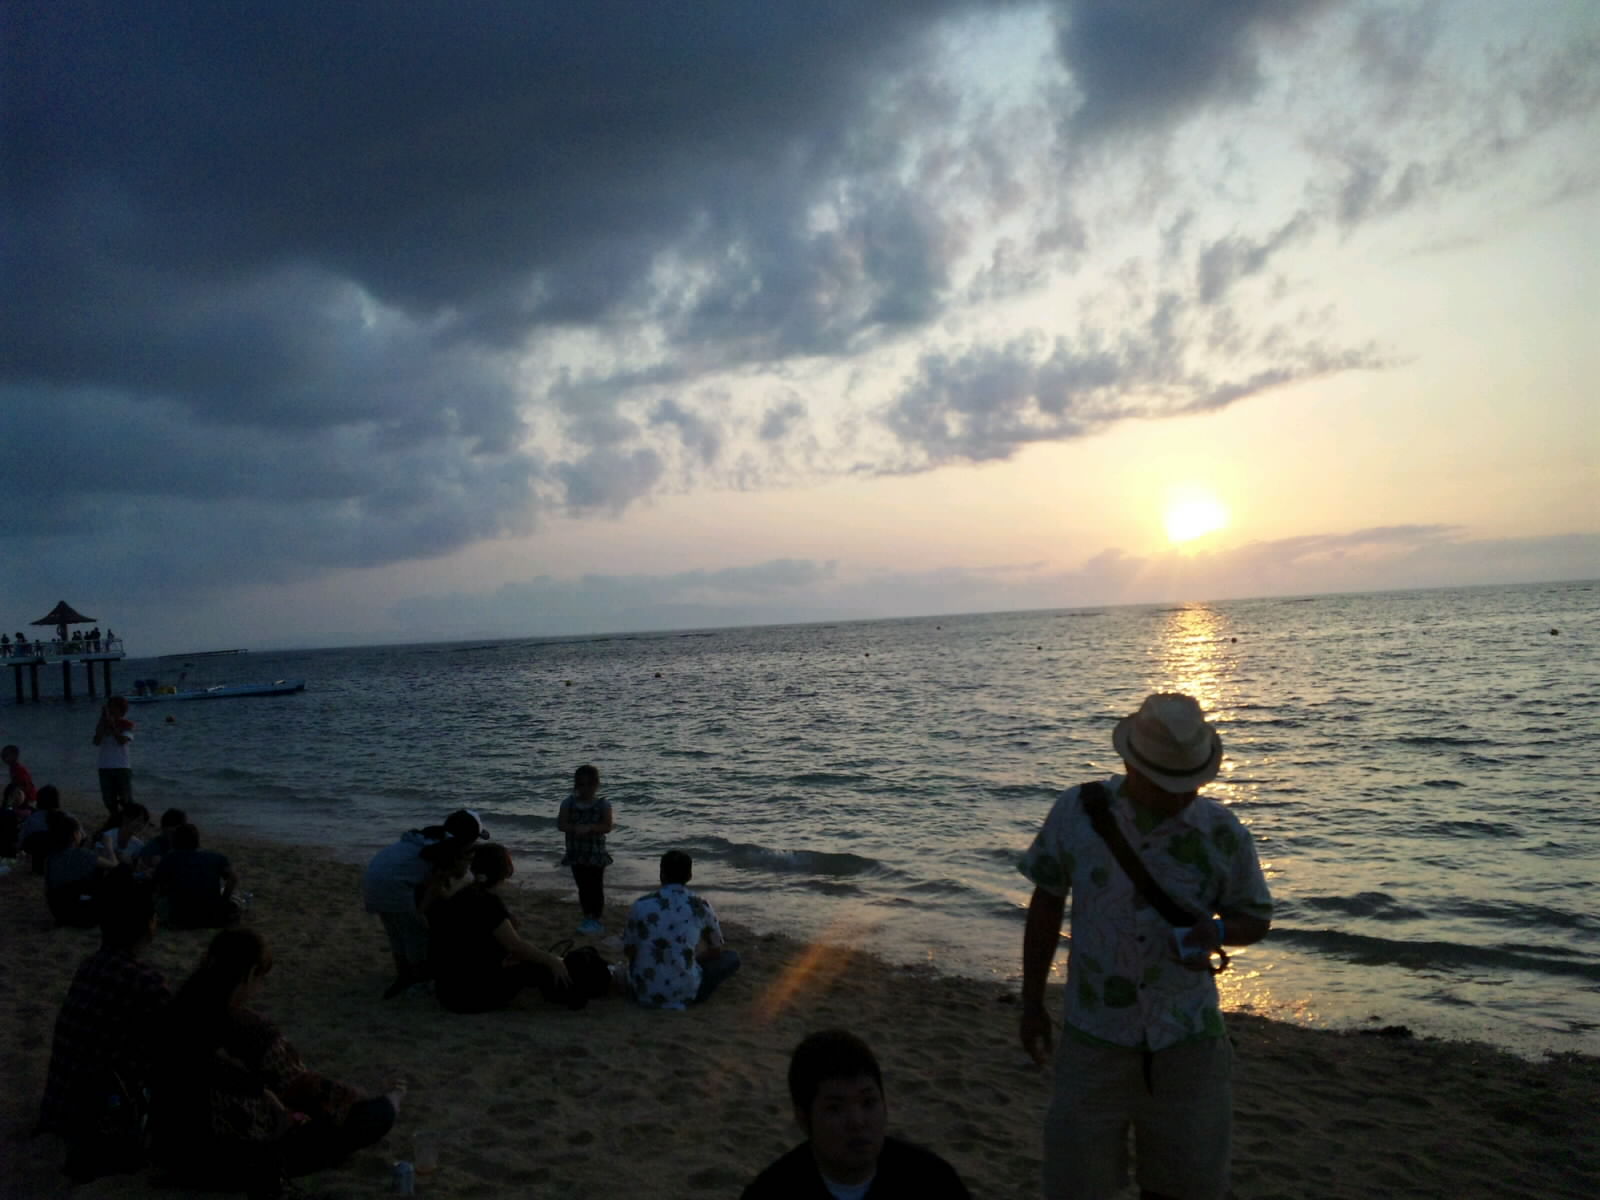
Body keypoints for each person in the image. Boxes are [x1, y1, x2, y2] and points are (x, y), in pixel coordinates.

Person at [1018, 693, 1274, 1200]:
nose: (1180, 797)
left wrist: (1218, 932)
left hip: (1189, 1043)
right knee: (1078, 1187)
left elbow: (1255, 918)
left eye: (1189, 784)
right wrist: (1031, 1003)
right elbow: (1046, 903)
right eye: (1166, 784)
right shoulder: (1077, 812)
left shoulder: (1222, 832)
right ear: (1131, 765)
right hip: (1093, 1038)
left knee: (1187, 1188)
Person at [152, 929, 404, 1196]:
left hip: (177, 1157)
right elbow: (303, 1087)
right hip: (240, 1161)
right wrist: (355, 1097)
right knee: (374, 1115)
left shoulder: (175, 1015)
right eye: (260, 979)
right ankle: (392, 1100)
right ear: (250, 974)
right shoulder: (249, 1030)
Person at [38, 877, 171, 1182]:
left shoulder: (90, 965)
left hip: (60, 1104)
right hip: (101, 1111)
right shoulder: (145, 980)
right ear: (149, 925)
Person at [740, 1030, 972, 1199]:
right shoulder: (769, 1192)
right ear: (803, 1119)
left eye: (868, 1103)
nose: (857, 1122)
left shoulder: (933, 1182)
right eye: (835, 1108)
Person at [361, 808, 491, 999]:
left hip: (373, 880)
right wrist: (421, 912)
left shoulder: (429, 838)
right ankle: (418, 981)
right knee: (417, 936)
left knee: (396, 933)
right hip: (394, 887)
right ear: (467, 840)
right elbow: (437, 887)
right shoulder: (444, 853)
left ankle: (403, 975)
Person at [427, 843, 571, 1013]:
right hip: (469, 995)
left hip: (446, 991)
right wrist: (552, 960)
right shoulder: (487, 902)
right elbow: (515, 945)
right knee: (539, 967)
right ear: (505, 871)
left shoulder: (463, 894)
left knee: (528, 961)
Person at [623, 850, 740, 1009]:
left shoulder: (640, 905)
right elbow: (715, 950)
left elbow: (629, 950)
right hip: (686, 994)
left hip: (644, 993)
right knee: (732, 957)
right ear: (690, 876)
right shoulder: (700, 905)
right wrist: (691, 959)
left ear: (662, 874)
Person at [558, 763, 614, 934]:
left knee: (596, 886)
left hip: (596, 853)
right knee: (583, 886)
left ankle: (596, 918)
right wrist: (575, 828)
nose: (586, 788)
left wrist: (590, 828)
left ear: (596, 784)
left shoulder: (603, 804)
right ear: (576, 785)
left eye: (590, 784)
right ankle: (587, 916)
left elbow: (607, 826)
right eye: (582, 784)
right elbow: (561, 824)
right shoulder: (568, 803)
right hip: (576, 853)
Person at [155, 823, 242, 929]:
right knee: (236, 901)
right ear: (197, 840)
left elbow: (158, 884)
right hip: (213, 917)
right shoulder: (216, 857)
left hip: (180, 919)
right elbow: (233, 878)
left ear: (174, 841)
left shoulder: (170, 858)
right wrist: (224, 899)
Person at [45, 815, 105, 927]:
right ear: (74, 834)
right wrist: (109, 846)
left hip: (58, 912)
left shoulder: (52, 856)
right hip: (82, 916)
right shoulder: (82, 854)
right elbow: (113, 865)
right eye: (79, 830)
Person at [92, 697, 135, 815]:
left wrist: (113, 726)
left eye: (113, 707)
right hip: (104, 766)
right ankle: (115, 817)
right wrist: (102, 720)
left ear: (121, 710)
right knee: (108, 799)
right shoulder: (102, 724)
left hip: (122, 766)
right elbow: (96, 741)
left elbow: (122, 741)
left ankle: (130, 818)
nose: (111, 709)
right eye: (109, 706)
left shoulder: (127, 724)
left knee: (126, 798)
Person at [20, 784, 64, 873]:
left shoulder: (32, 818)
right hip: (59, 858)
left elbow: (22, 840)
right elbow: (81, 837)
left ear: (39, 800)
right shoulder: (65, 818)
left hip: (36, 855)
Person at [94, 802, 151, 869]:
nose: (140, 825)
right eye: (138, 820)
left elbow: (137, 866)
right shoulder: (108, 836)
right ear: (125, 818)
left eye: (143, 822)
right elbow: (98, 859)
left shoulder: (138, 845)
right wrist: (118, 856)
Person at [135, 806, 188, 876]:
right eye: (172, 832)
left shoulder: (186, 847)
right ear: (163, 829)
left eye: (179, 832)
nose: (175, 836)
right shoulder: (152, 847)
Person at [2, 743, 38, 807]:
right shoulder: (13, 768)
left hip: (29, 799)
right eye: (3, 755)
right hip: (24, 797)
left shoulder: (19, 769)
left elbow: (24, 785)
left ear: (14, 756)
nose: (3, 757)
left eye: (6, 755)